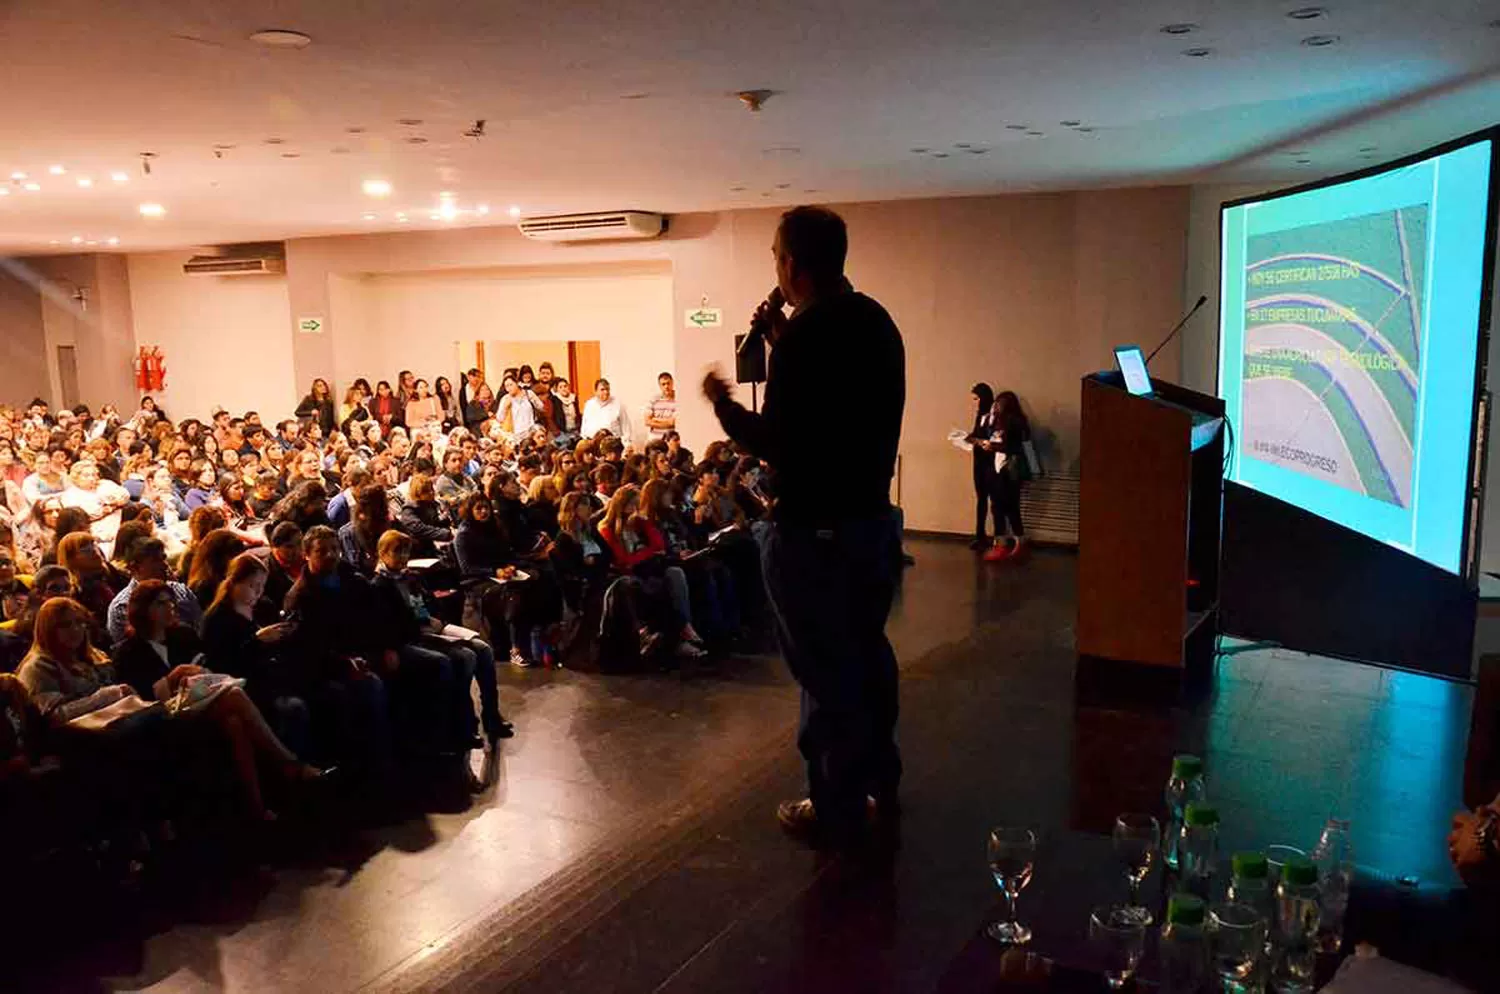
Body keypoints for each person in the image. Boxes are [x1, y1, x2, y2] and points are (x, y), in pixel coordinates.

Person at [702, 204, 905, 845]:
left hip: (814, 534)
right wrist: (783, 339)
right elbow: (835, 408)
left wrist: (723, 406)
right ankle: (879, 779)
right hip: (872, 524)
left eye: (774, 256)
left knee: (823, 669)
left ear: (791, 264)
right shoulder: (877, 322)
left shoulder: (805, 341)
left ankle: (834, 804)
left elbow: (780, 442)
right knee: (868, 653)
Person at [371, 530, 512, 753]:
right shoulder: (378, 586)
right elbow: (389, 625)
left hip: (432, 628)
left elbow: (430, 605)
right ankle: (463, 725)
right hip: (411, 638)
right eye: (397, 551)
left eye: (406, 551)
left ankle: (491, 716)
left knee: (483, 650)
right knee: (464, 658)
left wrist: (436, 618)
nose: (403, 557)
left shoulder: (412, 577)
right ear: (382, 553)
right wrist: (422, 622)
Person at [106, 536, 203, 644]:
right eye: (156, 561)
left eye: (163, 558)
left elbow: (200, 628)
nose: (165, 565)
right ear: (135, 568)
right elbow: (127, 650)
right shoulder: (122, 606)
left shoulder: (182, 591)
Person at [981, 391, 1031, 563]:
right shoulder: (998, 421)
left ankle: (1006, 544)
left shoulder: (1014, 422)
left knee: (1005, 507)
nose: (996, 407)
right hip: (1000, 468)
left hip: (1009, 470)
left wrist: (993, 447)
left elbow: (1011, 446)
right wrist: (989, 420)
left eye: (999, 404)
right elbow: (991, 435)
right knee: (1002, 507)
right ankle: (1011, 543)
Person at [966, 383, 999, 550]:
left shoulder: (994, 416)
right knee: (981, 499)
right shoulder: (980, 415)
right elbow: (976, 433)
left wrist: (977, 440)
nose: (975, 402)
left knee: (994, 500)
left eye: (977, 399)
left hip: (989, 462)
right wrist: (967, 438)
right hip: (979, 461)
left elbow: (992, 438)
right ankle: (980, 535)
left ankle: (998, 537)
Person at [580, 378, 633, 446]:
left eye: (607, 389)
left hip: (612, 445)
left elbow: (626, 427)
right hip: (593, 444)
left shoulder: (618, 404)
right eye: (602, 390)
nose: (606, 392)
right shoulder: (589, 405)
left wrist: (627, 444)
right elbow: (584, 426)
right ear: (595, 391)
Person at [643, 372, 677, 441]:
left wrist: (655, 419)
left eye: (668, 383)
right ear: (659, 385)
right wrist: (667, 422)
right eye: (663, 384)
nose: (666, 386)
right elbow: (647, 421)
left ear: (672, 383)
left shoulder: (679, 399)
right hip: (654, 440)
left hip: (670, 440)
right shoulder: (653, 399)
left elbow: (673, 423)